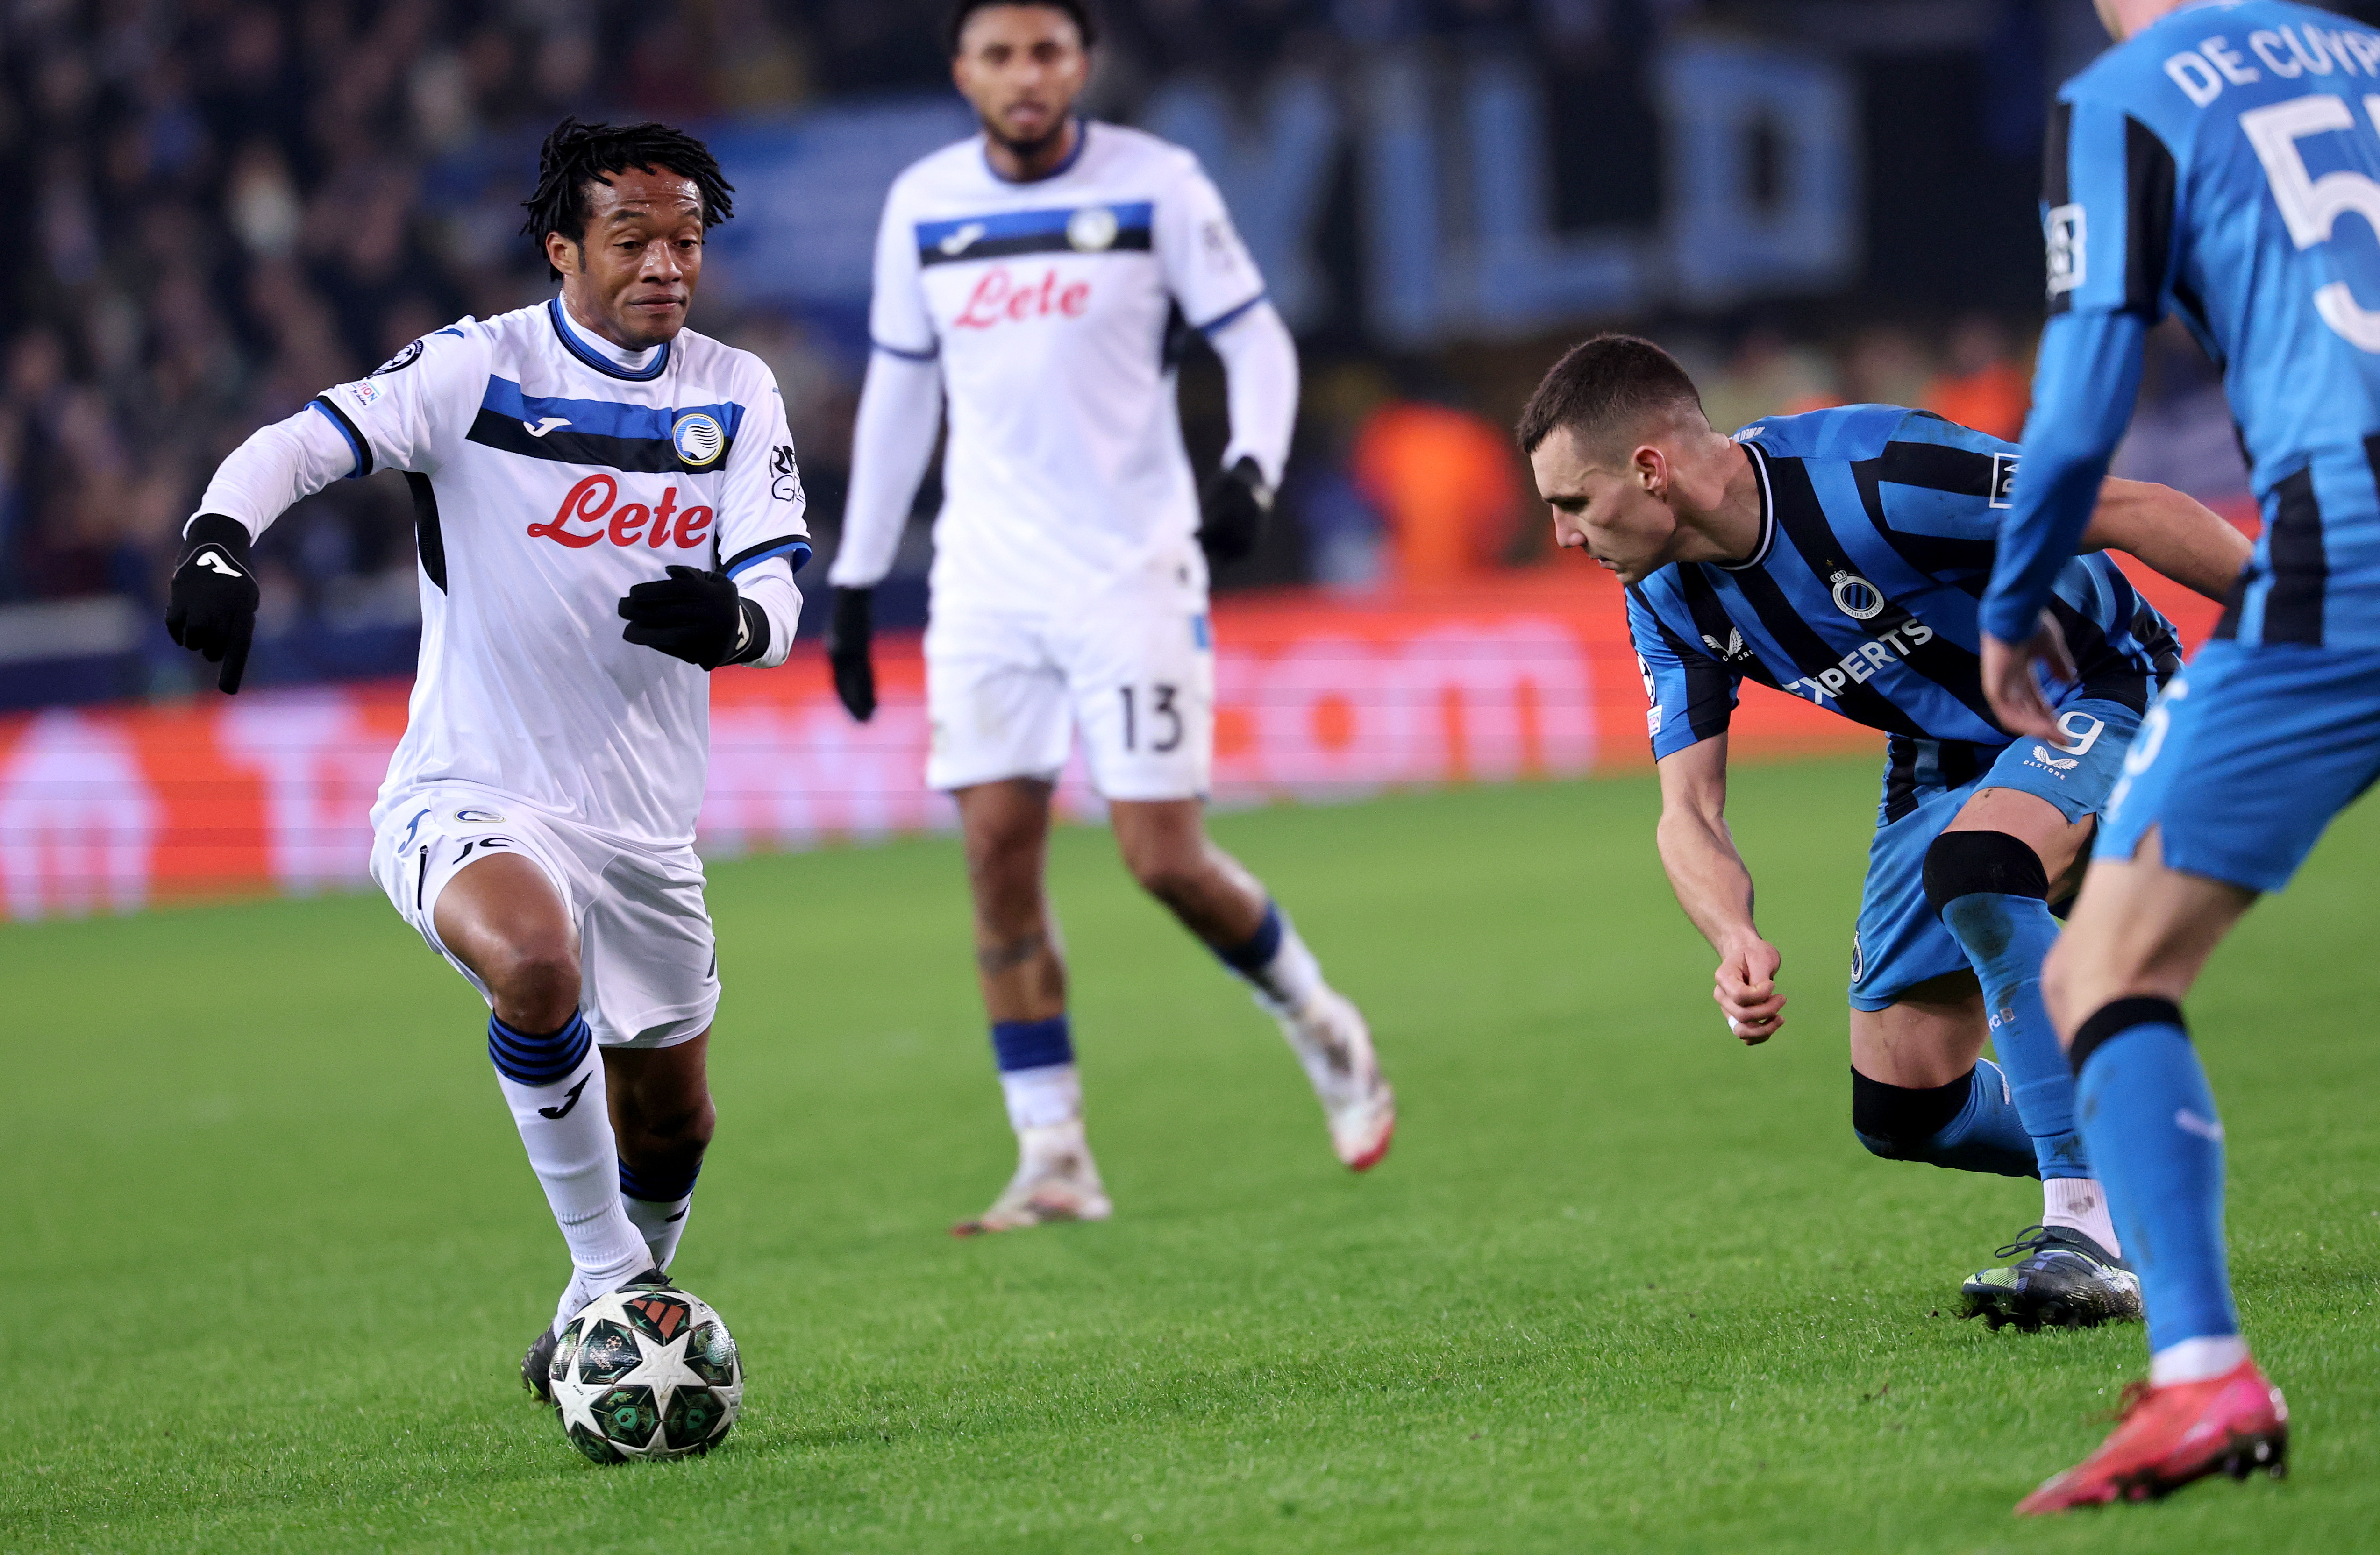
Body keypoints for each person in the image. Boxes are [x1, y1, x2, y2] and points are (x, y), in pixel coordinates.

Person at [163, 119, 812, 1400]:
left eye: (685, 240)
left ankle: (590, 1307)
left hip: (640, 823)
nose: (666, 265)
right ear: (563, 247)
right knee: (529, 959)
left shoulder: (734, 390)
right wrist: (217, 541)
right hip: (470, 786)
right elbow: (301, 438)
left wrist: (738, 625)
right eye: (632, 240)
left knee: (674, 1120)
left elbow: (777, 583)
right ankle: (622, 1289)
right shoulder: (478, 369)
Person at [1517, 335, 2248, 1325]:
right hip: (1940, 752)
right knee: (1907, 1105)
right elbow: (1688, 809)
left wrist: (2324, 634)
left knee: (1981, 866)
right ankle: (2145, 1138)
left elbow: (2136, 509)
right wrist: (1733, 935)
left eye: (1572, 503)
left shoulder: (1873, 475)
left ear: (1651, 468)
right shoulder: (1663, 595)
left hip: (2099, 684)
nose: (1564, 535)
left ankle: (2093, 1230)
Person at [822, 0, 1393, 1234]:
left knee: (1160, 859)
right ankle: (1053, 1157)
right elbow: (897, 397)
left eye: (1044, 52)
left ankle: (1316, 1020)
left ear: (1080, 64)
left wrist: (1249, 468)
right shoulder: (922, 202)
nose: (1023, 76)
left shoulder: (1158, 184)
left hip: (1129, 571)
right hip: (982, 581)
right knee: (994, 864)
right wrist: (858, 579)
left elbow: (1256, 342)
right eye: (998, 55)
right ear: (961, 70)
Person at [1977, 0, 2380, 1513]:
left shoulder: (2129, 95)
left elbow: (2090, 384)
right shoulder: (2359, 54)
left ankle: (2203, 1376)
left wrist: (2012, 600)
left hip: (2352, 540)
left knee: (2103, 971)